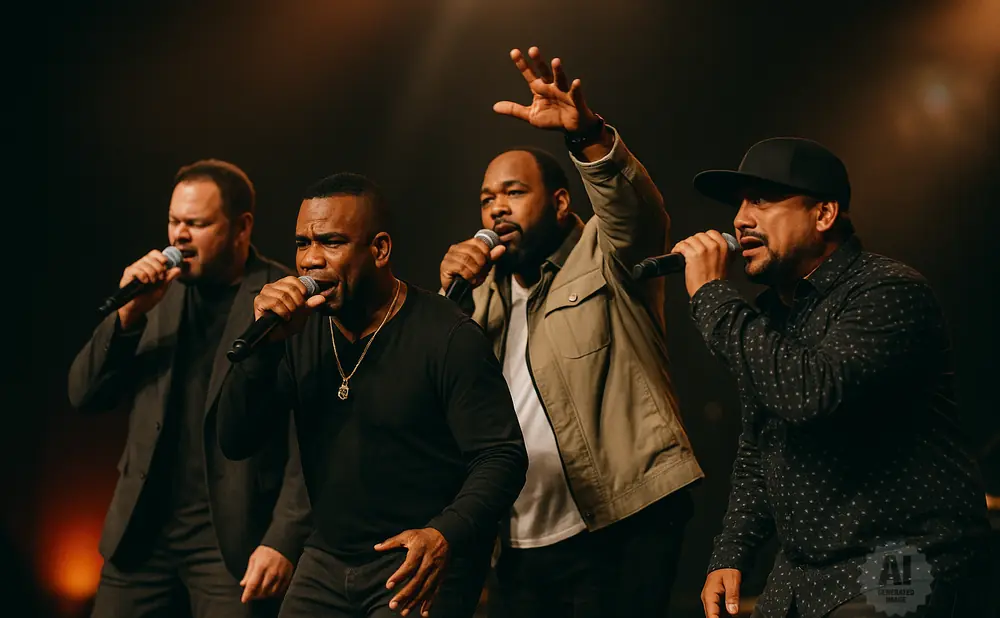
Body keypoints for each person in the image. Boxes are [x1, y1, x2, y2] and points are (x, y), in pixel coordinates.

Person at [671, 138, 993, 617]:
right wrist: (731, 554)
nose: (740, 220)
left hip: (902, 559)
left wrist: (714, 296)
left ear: (823, 215)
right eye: (739, 204)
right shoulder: (772, 317)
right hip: (806, 573)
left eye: (760, 200)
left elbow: (812, 392)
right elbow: (762, 446)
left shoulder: (887, 290)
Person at [438, 47, 702, 618]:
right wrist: (447, 301)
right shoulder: (477, 295)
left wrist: (587, 136)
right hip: (516, 538)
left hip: (620, 524)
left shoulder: (605, 256)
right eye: (487, 199)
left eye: (513, 193)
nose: (496, 209)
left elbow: (637, 211)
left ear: (560, 203)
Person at [216, 172, 528, 618]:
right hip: (327, 559)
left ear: (379, 249)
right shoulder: (297, 332)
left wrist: (445, 535)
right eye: (303, 243)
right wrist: (263, 353)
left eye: (331, 242)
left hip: (417, 557)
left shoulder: (446, 333)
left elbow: (502, 457)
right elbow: (236, 440)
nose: (310, 261)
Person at [68, 159, 311, 618]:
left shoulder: (281, 297)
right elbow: (83, 394)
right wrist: (127, 316)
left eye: (196, 224)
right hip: (141, 536)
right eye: (174, 221)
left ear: (242, 228)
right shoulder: (154, 294)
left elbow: (309, 432)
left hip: (230, 541)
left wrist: (284, 537)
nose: (179, 235)